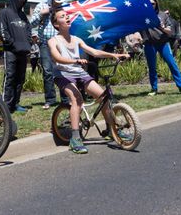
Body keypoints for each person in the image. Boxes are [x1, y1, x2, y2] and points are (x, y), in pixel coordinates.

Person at [48, 9, 129, 154]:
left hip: (79, 72)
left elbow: (94, 52)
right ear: (56, 24)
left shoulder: (76, 39)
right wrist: (75, 60)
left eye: (67, 15)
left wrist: (115, 55)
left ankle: (112, 129)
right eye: (62, 16)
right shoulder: (53, 41)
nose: (66, 17)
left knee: (103, 97)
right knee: (77, 99)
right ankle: (75, 138)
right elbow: (56, 58)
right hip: (63, 74)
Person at [141, 0, 181, 96]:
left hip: (163, 43)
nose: (151, 5)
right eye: (149, 3)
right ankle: (154, 89)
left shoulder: (163, 15)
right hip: (149, 44)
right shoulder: (143, 15)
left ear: (156, 4)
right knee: (152, 67)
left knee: (172, 64)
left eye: (153, 3)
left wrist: (162, 28)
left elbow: (170, 32)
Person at [30, 0, 69, 110]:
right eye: (57, 0)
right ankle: (50, 99)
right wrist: (42, 14)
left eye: (61, 0)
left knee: (63, 69)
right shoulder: (41, 6)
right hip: (45, 43)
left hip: (60, 42)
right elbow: (32, 23)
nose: (59, 3)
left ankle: (66, 98)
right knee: (47, 71)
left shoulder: (64, 8)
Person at [0, 0, 32, 113]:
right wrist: (12, 44)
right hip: (10, 51)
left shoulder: (23, 15)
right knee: (10, 77)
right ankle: (6, 107)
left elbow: (28, 30)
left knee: (20, 79)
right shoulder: (4, 13)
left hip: (23, 52)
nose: (22, 1)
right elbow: (2, 31)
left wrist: (28, 44)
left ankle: (15, 104)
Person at [78, 0, 100, 83]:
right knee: (83, 67)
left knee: (94, 67)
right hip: (82, 43)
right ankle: (83, 91)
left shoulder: (97, 9)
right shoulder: (76, 9)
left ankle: (95, 92)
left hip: (94, 42)